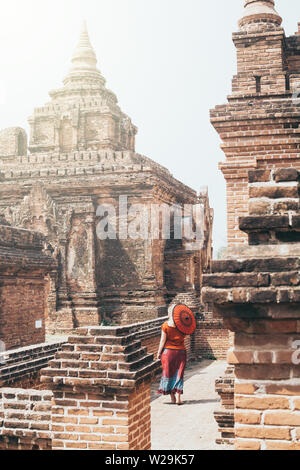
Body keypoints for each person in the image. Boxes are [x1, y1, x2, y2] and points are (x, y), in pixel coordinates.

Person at [157, 304, 187, 405]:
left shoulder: (165, 325)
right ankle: (179, 398)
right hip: (181, 352)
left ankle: (172, 397)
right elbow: (185, 336)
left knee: (169, 374)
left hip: (168, 353)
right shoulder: (183, 326)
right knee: (179, 374)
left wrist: (158, 353)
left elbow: (162, 341)